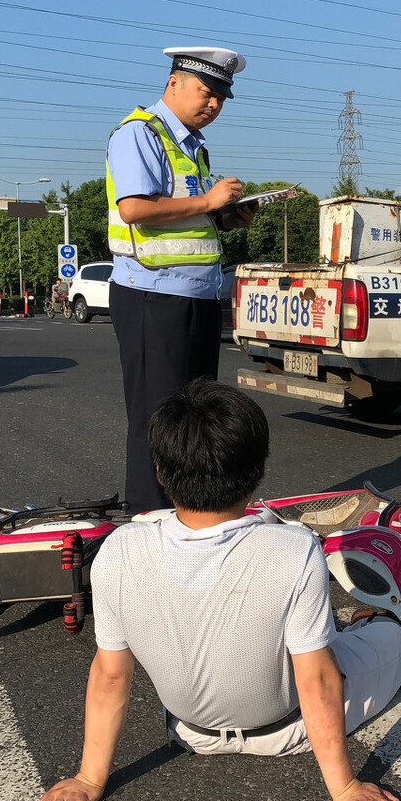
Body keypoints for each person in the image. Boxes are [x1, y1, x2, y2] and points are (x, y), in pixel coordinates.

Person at [28, 379, 401, 801]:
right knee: (392, 635)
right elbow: (317, 680)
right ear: (258, 472)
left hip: (192, 734)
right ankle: (376, 619)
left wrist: (89, 778)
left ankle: (356, 628)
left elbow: (111, 674)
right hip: (287, 731)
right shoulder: (295, 550)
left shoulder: (117, 551)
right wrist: (345, 788)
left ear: (160, 472)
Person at [106, 46, 255, 511]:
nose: (213, 105)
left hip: (198, 298)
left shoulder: (193, 147)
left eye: (221, 99)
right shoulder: (139, 134)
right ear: (174, 83)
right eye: (206, 92)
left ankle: (190, 515)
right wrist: (210, 202)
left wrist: (229, 218)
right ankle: (149, 523)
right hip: (153, 296)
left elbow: (189, 219)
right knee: (157, 420)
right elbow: (135, 209)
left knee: (195, 418)